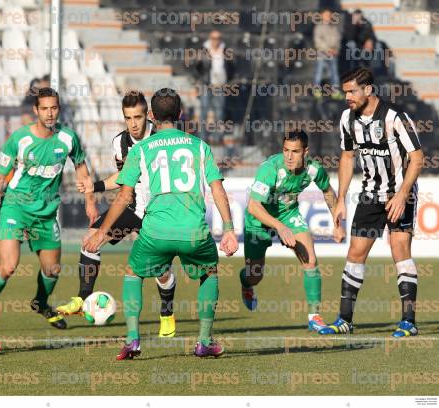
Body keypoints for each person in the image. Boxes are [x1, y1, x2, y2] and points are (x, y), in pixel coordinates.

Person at [84, 88, 239, 359]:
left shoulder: (141, 148)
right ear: (180, 114)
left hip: (155, 231)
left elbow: (124, 195)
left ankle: (133, 340)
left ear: (152, 116)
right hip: (193, 230)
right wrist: (228, 230)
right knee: (209, 272)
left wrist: (102, 232)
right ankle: (204, 341)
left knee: (134, 272)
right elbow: (217, 190)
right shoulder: (200, 146)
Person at [56, 91, 177, 338]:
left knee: (160, 270)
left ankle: (166, 313)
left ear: (148, 116)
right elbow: (124, 179)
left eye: (138, 117)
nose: (133, 123)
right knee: (90, 241)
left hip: (159, 214)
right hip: (132, 209)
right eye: (128, 118)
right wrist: (95, 186)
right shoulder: (119, 143)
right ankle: (83, 299)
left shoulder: (162, 138)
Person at [0, 87, 98, 332]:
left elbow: (82, 169)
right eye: (44, 108)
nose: (50, 113)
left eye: (54, 108)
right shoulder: (20, 139)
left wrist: (90, 201)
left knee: (52, 270)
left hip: (46, 213)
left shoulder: (68, 138)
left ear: (59, 110)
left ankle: (41, 303)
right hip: (15, 208)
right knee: (9, 266)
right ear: (36, 111)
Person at [319, 68, 424, 337]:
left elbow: (417, 158)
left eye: (352, 91)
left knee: (400, 249)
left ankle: (408, 322)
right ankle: (345, 320)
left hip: (399, 194)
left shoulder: (395, 117)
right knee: (354, 253)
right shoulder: (347, 118)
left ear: (368, 90)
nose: (348, 98)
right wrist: (341, 199)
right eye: (345, 93)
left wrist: (402, 194)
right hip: (369, 194)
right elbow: (346, 158)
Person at [239, 130, 346, 331]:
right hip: (258, 219)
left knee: (311, 260)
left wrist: (337, 224)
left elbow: (328, 191)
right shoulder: (270, 169)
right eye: (286, 150)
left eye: (295, 151)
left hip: (288, 214)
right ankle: (245, 283)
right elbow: (254, 206)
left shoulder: (313, 169)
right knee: (255, 275)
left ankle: (314, 317)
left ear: (306, 151)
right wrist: (279, 227)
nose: (289, 156)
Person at [193, 30, 234, 143]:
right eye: (213, 38)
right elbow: (196, 68)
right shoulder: (203, 50)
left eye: (218, 38)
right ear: (210, 38)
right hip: (206, 85)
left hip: (219, 85)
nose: (215, 41)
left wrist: (227, 80)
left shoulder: (225, 50)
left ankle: (217, 137)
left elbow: (230, 67)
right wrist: (200, 80)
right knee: (204, 111)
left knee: (219, 112)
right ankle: (202, 137)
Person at [313, 9, 343, 99]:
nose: (328, 17)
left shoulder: (334, 28)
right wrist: (327, 49)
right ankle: (316, 90)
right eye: (326, 15)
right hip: (322, 53)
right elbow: (318, 41)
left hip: (332, 54)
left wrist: (336, 50)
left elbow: (338, 40)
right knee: (319, 72)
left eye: (329, 15)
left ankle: (335, 92)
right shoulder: (318, 27)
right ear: (322, 16)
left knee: (334, 73)